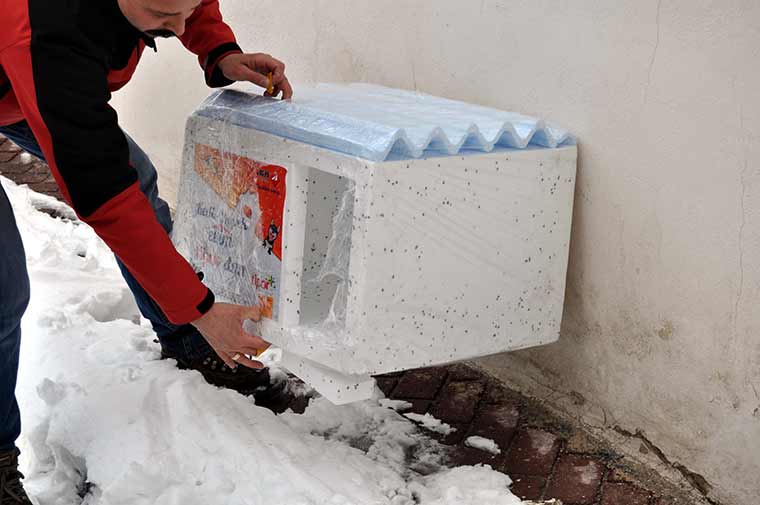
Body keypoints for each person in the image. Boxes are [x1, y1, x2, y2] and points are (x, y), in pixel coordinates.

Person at [0, 0, 294, 501]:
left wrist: (218, 50)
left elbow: (187, 7)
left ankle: (183, 338)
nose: (177, 29)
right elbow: (105, 198)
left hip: (19, 85)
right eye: (162, 15)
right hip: (25, 63)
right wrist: (199, 306)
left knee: (137, 178)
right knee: (2, 291)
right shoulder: (48, 30)